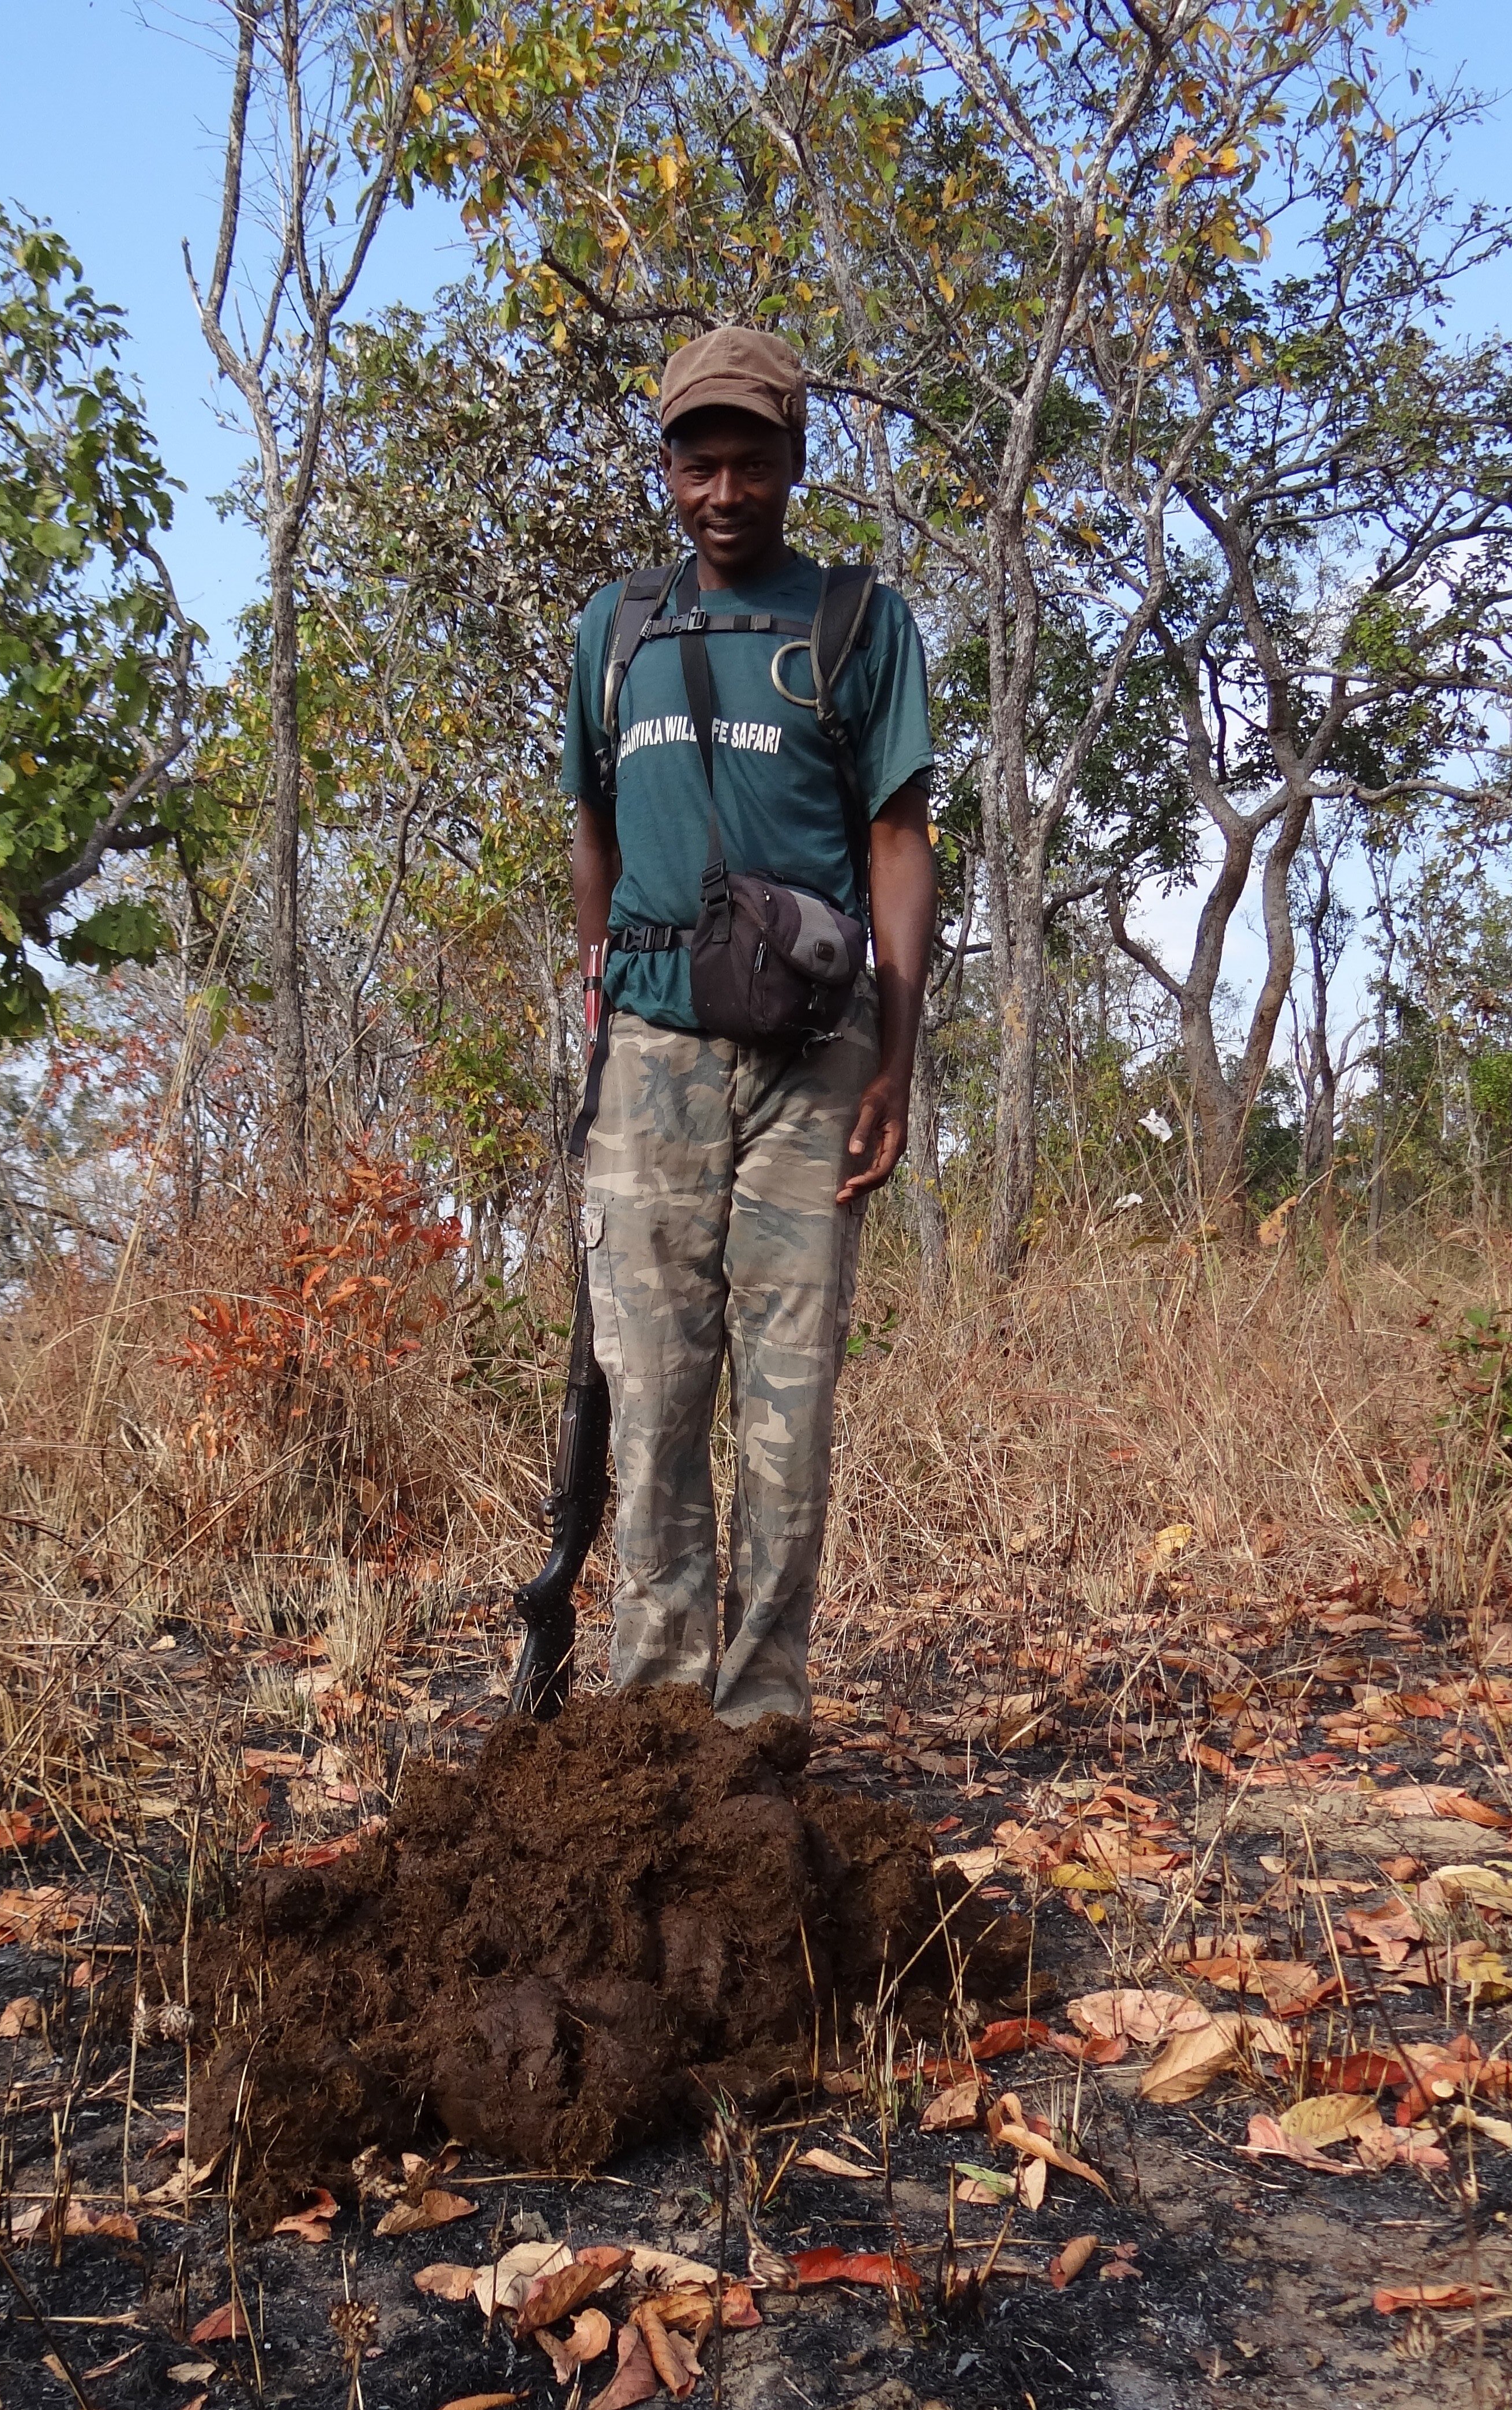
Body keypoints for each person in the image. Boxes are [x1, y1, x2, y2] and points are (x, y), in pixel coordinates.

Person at [559, 324, 935, 1726]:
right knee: (651, 1402)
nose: (725, 492)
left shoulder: (854, 622)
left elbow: (899, 841)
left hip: (815, 1062)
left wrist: (895, 1059)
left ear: (795, 462)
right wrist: (598, 996)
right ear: (665, 467)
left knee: (789, 1414)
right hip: (650, 1055)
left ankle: (762, 1726)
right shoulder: (617, 630)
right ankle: (654, 1735)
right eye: (698, 463)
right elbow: (590, 827)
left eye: (753, 463)